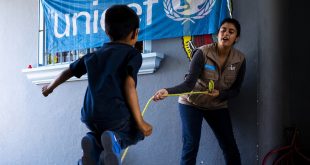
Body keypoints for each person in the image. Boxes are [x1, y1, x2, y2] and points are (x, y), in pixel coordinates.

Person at [42, 5, 152, 165]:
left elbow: (68, 71)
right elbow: (129, 85)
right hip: (115, 115)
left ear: (107, 32)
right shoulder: (132, 54)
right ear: (135, 33)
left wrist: (49, 88)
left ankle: (92, 140)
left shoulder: (94, 55)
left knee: (102, 137)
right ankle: (115, 140)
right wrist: (141, 122)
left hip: (90, 115)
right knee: (135, 132)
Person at [153, 18, 246, 165]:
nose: (226, 34)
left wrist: (220, 95)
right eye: (223, 30)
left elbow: (236, 90)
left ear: (237, 37)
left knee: (229, 146)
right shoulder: (203, 52)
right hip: (191, 103)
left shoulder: (240, 59)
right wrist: (167, 91)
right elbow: (188, 84)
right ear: (218, 33)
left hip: (217, 105)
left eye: (231, 31)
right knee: (191, 145)